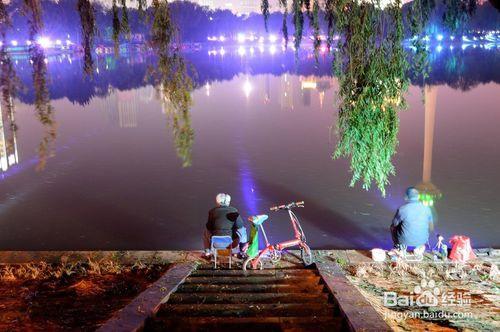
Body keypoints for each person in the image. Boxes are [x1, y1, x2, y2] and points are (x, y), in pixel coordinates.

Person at [203, 193, 248, 258]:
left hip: (216, 243)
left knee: (206, 231)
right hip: (231, 243)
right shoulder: (234, 210)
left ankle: (207, 253)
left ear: (217, 202)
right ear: (228, 202)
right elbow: (240, 225)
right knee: (242, 229)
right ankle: (242, 252)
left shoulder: (212, 211)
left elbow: (209, 227)